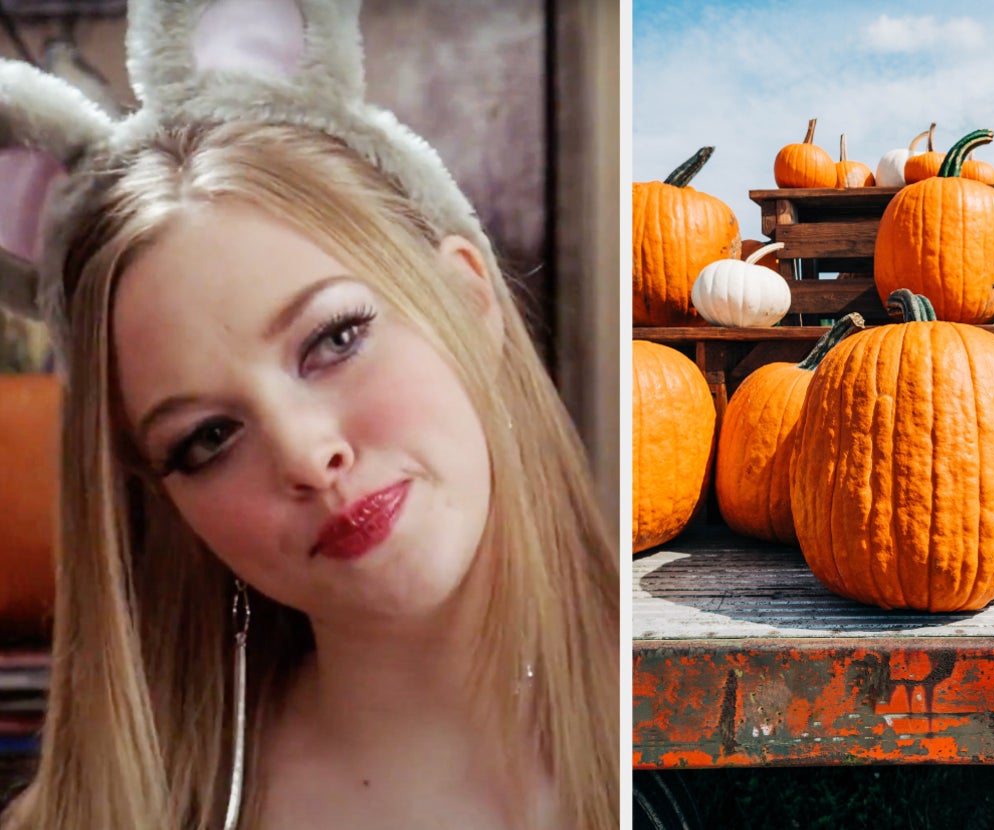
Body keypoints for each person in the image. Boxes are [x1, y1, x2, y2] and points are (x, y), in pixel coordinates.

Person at [0, 2, 619, 829]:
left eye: (334, 339)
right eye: (207, 439)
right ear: (165, 502)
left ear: (470, 300)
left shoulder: (705, 738)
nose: (303, 452)